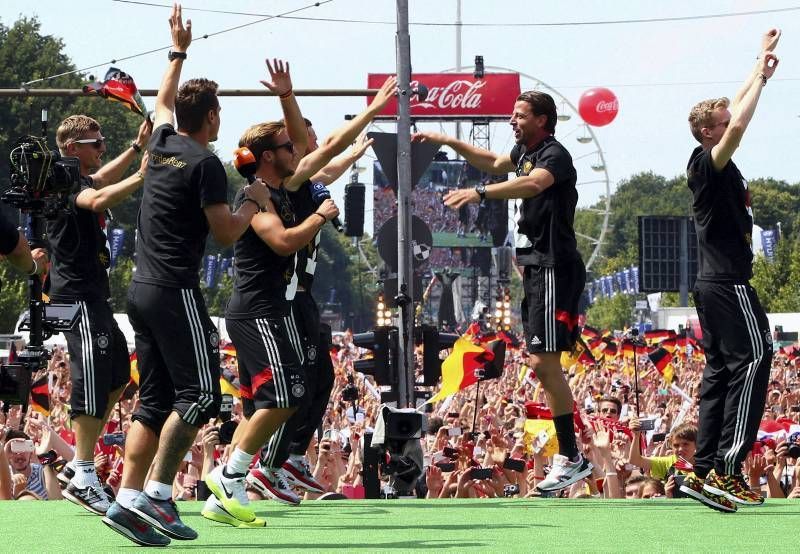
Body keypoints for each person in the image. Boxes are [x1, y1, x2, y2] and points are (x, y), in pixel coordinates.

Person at [101, 5, 269, 546]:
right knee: (200, 396)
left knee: (153, 401)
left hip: (140, 290)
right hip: (176, 290)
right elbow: (225, 233)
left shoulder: (162, 142)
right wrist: (252, 202)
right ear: (214, 118)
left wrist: (177, 50)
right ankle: (159, 496)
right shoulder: (203, 165)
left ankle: (126, 500)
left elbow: (164, 100)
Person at [204, 72, 397, 522]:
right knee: (281, 395)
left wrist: (363, 115)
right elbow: (284, 242)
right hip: (260, 310)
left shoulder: (287, 185)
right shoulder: (258, 194)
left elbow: (324, 149)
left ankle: (229, 488)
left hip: (275, 306)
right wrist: (321, 217)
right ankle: (244, 473)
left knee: (286, 395)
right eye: (291, 146)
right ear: (270, 156)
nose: (301, 150)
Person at [414, 89, 592, 492]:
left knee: (546, 364)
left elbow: (533, 185)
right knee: (540, 364)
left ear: (541, 120)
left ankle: (572, 456)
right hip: (534, 269)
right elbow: (492, 162)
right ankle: (572, 455)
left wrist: (479, 193)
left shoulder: (554, 155)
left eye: (519, 114)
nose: (512, 120)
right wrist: (446, 141)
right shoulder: (522, 151)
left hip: (553, 267)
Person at [678, 29, 780, 514]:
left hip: (713, 283)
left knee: (721, 370)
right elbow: (737, 125)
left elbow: (732, 108)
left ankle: (704, 472)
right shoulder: (708, 161)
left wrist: (758, 63)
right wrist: (761, 78)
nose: (730, 121)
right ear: (707, 133)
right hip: (726, 282)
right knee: (758, 356)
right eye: (720, 121)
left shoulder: (710, 156)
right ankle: (727, 467)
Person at [49, 113, 150, 515]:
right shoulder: (62, 178)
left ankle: (79, 459)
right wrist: (142, 175)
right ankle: (84, 470)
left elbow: (101, 180)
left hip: (92, 294)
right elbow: (97, 197)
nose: (102, 147)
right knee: (89, 375)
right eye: (96, 142)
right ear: (73, 149)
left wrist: (136, 148)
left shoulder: (77, 174)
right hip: (74, 296)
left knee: (117, 375)